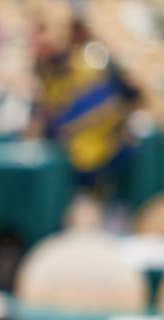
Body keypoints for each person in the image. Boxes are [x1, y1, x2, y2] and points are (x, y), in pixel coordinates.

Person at [35, 18, 141, 192]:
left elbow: (131, 94)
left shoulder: (94, 62)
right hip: (67, 166)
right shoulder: (46, 74)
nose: (42, 40)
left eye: (45, 30)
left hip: (105, 163)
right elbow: (50, 128)